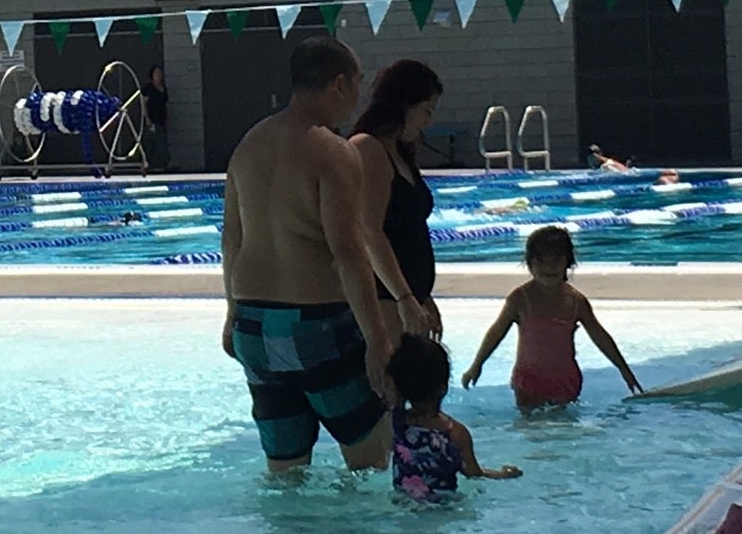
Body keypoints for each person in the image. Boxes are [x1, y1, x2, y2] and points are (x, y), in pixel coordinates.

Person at [222, 35, 394, 474]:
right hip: (316, 327)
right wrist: (377, 339)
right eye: (357, 82)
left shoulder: (248, 145)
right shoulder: (333, 151)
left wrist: (231, 315)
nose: (358, 96)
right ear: (339, 84)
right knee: (372, 460)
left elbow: (231, 241)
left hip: (254, 328)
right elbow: (348, 250)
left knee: (285, 476)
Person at [460, 226, 642, 407]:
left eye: (556, 260)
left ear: (568, 262)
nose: (548, 266)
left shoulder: (576, 302)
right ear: (529, 263)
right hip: (528, 379)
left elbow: (600, 336)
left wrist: (623, 370)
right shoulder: (520, 299)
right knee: (529, 428)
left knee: (561, 430)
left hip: (565, 379)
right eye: (541, 260)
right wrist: (476, 365)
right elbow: (496, 332)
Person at [348, 59, 444, 342]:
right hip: (384, 298)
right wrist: (403, 297)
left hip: (405, 297)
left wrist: (422, 297)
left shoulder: (400, 153)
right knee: (392, 383)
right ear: (405, 104)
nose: (428, 120)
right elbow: (369, 231)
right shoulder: (368, 148)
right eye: (426, 111)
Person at [388, 334, 522, 501]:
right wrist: (504, 474)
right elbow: (475, 474)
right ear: (444, 386)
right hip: (445, 509)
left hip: (401, 504)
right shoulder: (456, 434)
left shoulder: (396, 423)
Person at [140, 64, 171, 171]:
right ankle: (148, 165)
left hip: (161, 119)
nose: (158, 75)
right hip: (151, 120)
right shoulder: (148, 88)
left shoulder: (163, 89)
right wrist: (147, 118)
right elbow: (143, 104)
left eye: (160, 73)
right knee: (150, 143)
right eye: (156, 73)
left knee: (161, 143)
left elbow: (165, 104)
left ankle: (162, 165)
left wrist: (167, 119)